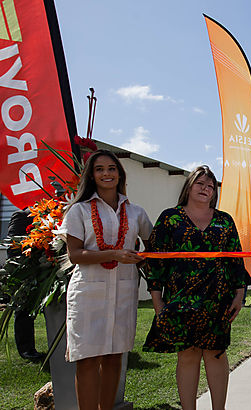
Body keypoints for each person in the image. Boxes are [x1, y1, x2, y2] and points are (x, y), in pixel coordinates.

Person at [143, 165, 250, 410]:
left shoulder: (224, 220)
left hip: (217, 299)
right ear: (189, 186)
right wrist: (158, 302)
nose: (206, 189)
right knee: (188, 354)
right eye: (200, 183)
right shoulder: (170, 218)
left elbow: (236, 258)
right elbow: (156, 262)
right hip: (181, 299)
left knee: (216, 354)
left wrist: (239, 294)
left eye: (211, 186)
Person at [60, 150, 153, 410]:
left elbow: (152, 244)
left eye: (112, 168)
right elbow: (75, 255)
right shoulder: (78, 210)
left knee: (114, 357)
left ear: (120, 174)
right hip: (88, 295)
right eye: (100, 169)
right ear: (91, 175)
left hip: (123, 293)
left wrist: (142, 257)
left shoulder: (135, 212)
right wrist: (115, 254)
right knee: (88, 359)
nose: (106, 174)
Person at [5, 209, 46, 362]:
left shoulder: (55, 212)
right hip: (28, 269)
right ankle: (27, 350)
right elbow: (14, 246)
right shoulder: (21, 216)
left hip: (49, 268)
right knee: (24, 309)